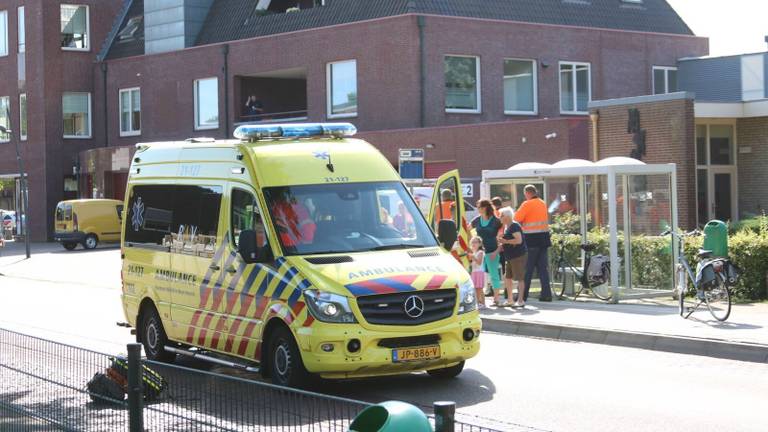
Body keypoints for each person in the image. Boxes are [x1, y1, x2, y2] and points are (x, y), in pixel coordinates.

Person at [515, 185, 553, 302]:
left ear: (527, 193)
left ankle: (523, 295)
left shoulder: (527, 204)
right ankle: (546, 295)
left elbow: (516, 218)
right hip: (544, 239)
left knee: (527, 268)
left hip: (531, 240)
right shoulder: (542, 203)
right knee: (543, 268)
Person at [471, 199, 504, 306]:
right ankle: (481, 300)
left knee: (494, 275)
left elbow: (502, 236)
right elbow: (466, 229)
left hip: (492, 252)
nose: (478, 209)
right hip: (480, 253)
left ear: (485, 207)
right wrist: (472, 242)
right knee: (478, 275)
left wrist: (497, 250)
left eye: (480, 207)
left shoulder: (496, 221)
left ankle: (496, 299)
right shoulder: (476, 220)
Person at [497, 207, 527, 307]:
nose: (499, 217)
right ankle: (510, 300)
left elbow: (519, 240)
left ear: (507, 216)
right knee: (507, 278)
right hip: (509, 256)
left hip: (517, 255)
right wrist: (502, 245)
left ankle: (520, 301)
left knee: (520, 278)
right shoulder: (507, 227)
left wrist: (505, 241)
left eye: (501, 215)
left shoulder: (514, 226)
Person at [469, 236, 487, 309]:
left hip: (479, 272)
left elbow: (479, 262)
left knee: (480, 288)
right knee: (475, 288)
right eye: (472, 242)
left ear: (479, 244)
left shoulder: (480, 252)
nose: (474, 244)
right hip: (474, 272)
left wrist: (473, 257)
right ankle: (478, 302)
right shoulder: (474, 252)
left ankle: (482, 303)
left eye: (475, 242)